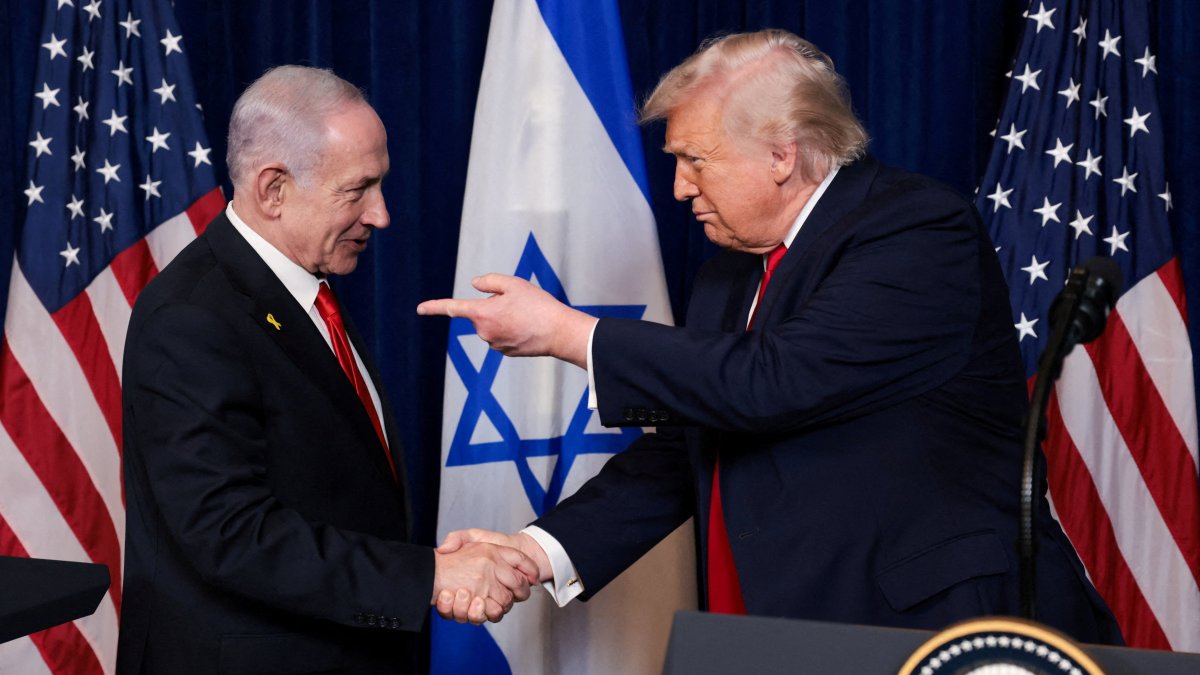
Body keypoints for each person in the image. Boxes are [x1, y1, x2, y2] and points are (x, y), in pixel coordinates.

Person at [419, 30, 1123, 643]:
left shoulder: (913, 228)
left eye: (695, 159)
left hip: (919, 629)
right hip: (770, 629)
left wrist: (571, 333)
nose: (679, 188)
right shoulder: (729, 276)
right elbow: (687, 450)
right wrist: (537, 550)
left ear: (782, 155)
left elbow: (773, 381)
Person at [118, 66, 537, 675]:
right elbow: (229, 533)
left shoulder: (303, 289)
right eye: (358, 189)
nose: (382, 215)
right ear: (273, 190)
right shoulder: (191, 317)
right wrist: (429, 574)